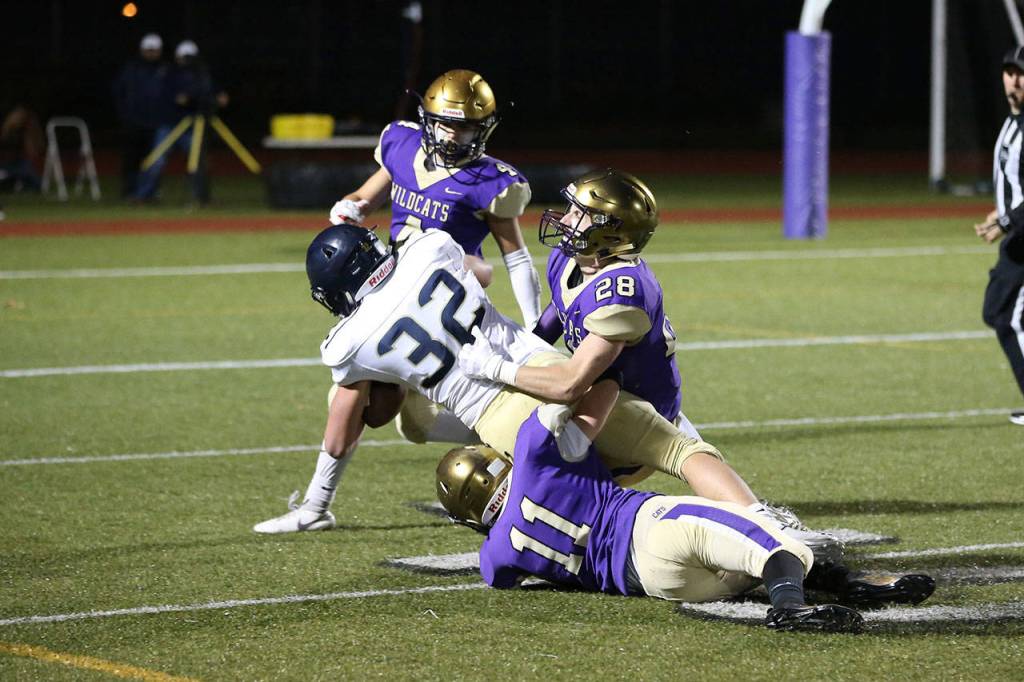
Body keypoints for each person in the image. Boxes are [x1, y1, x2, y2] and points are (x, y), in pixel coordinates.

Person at [253, 223, 830, 556]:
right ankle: (763, 528)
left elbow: (346, 425)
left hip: (499, 427)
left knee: (606, 507)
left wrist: (317, 500)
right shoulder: (429, 247)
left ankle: (684, 551)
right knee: (677, 449)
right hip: (545, 373)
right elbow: (477, 274)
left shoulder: (344, 344)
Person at [458, 168, 840, 558]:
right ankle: (760, 520)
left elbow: (570, 383)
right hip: (604, 392)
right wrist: (528, 349)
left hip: (640, 405)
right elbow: (559, 311)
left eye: (579, 213)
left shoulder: (622, 289)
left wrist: (495, 368)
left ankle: (761, 527)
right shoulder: (570, 258)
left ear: (611, 231)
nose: (566, 219)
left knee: (566, 464)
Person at [434, 377, 935, 632]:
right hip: (650, 528)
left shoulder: (495, 555)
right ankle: (792, 609)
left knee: (745, 563)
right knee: (761, 535)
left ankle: (846, 586)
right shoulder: (532, 451)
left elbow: (500, 574)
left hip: (654, 585)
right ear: (492, 464)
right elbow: (585, 389)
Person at [327, 69, 541, 330]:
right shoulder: (403, 145)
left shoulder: (490, 181)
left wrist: (534, 324)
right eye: (445, 124)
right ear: (428, 120)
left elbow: (517, 258)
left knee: (478, 270)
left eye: (463, 127)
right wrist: (348, 207)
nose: (452, 134)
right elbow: (363, 198)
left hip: (449, 295)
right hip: (393, 283)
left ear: (483, 128)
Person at [975, 46, 1024, 426]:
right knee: (998, 312)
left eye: (1021, 73)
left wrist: (1006, 221)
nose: (1015, 80)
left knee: (1013, 318)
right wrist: (1000, 211)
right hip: (1016, 239)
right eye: (1010, 72)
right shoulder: (1012, 122)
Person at [134, 40, 229, 205]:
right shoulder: (169, 74)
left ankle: (201, 197)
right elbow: (177, 98)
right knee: (156, 160)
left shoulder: (203, 74)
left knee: (199, 161)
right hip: (170, 123)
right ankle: (144, 195)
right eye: (185, 57)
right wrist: (194, 97)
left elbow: (212, 94)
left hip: (193, 125)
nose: (187, 61)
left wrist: (211, 96)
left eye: (190, 57)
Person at [112, 33, 167, 198]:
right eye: (148, 50)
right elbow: (118, 92)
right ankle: (129, 190)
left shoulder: (164, 70)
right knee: (131, 159)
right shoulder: (132, 69)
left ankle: (150, 191)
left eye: (154, 50)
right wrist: (125, 114)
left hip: (156, 123)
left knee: (153, 160)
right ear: (142, 50)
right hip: (133, 123)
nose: (151, 53)